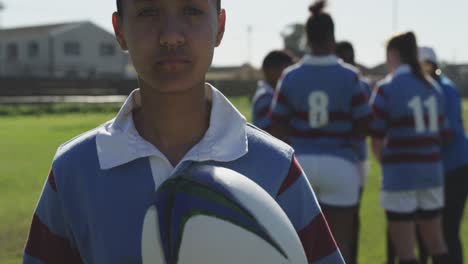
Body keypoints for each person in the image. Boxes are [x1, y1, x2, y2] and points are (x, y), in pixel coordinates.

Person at [22, 0, 344, 263]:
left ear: (219, 26)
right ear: (119, 30)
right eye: (148, 11)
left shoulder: (276, 167)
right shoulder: (74, 170)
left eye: (191, 10)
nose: (171, 36)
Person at [270, 1, 373, 263]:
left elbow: (277, 126)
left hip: (299, 164)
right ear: (332, 38)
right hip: (341, 165)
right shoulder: (350, 76)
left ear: (307, 38)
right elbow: (364, 126)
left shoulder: (290, 76)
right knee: (341, 245)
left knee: (298, 245)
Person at [370, 32, 450, 264]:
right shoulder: (433, 87)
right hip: (432, 173)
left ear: (393, 54)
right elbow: (443, 135)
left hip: (400, 176)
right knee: (437, 244)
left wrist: (388, 164)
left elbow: (376, 140)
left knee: (406, 253)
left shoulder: (387, 88)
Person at [419, 46, 468, 264]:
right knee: (429, 232)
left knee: (447, 230)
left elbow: (448, 133)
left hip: (454, 168)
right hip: (438, 169)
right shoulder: (429, 87)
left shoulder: (444, 89)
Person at [335, 40, 372, 264]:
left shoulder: (344, 79)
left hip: (352, 156)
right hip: (353, 157)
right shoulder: (357, 81)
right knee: (349, 219)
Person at [252, 50, 294, 132]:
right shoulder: (265, 98)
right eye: (287, 71)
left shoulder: (271, 94)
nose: (291, 76)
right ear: (271, 71)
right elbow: (271, 132)